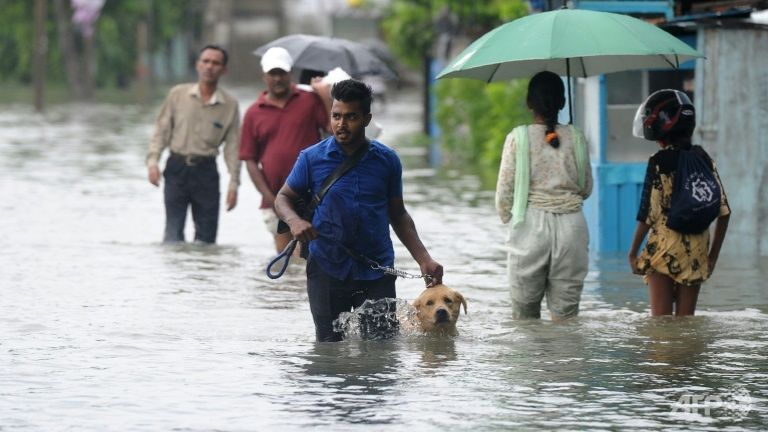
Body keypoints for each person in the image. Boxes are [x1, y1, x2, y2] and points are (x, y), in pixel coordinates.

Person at [274, 79, 443, 342]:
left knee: (381, 349)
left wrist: (424, 259)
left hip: (376, 271)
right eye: (336, 116)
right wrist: (294, 221)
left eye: (351, 117)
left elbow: (397, 214)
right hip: (327, 268)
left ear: (367, 119)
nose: (341, 124)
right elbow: (283, 197)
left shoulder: (387, 161)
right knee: (328, 349)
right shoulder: (311, 158)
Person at [495, 71, 593, 320]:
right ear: (562, 103)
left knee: (525, 318)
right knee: (566, 317)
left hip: (530, 228)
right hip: (572, 227)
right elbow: (586, 188)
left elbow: (505, 194)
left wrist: (509, 218)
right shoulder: (577, 137)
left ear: (529, 103)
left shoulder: (518, 138)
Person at [627, 89, 730, 316]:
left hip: (665, 246)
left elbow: (648, 215)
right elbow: (724, 212)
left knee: (661, 330)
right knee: (686, 325)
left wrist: (632, 252)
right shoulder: (703, 158)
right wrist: (712, 257)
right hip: (697, 249)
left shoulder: (658, 162)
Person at [146, 45, 241, 244]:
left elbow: (233, 147)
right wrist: (153, 162)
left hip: (206, 172)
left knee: (207, 239)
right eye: (205, 61)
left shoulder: (230, 105)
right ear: (198, 65)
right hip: (176, 168)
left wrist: (234, 183)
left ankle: (202, 273)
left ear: (224, 70)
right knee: (172, 235)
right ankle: (176, 274)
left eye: (215, 63)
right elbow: (161, 131)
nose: (209, 67)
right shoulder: (178, 95)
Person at [239, 47, 330, 252]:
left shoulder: (309, 100)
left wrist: (324, 96)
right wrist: (272, 200)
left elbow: (333, 131)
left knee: (308, 259)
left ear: (290, 74)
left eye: (282, 73)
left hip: (312, 196)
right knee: (285, 260)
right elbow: (250, 160)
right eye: (273, 73)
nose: (277, 78)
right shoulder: (254, 112)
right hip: (273, 197)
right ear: (264, 76)